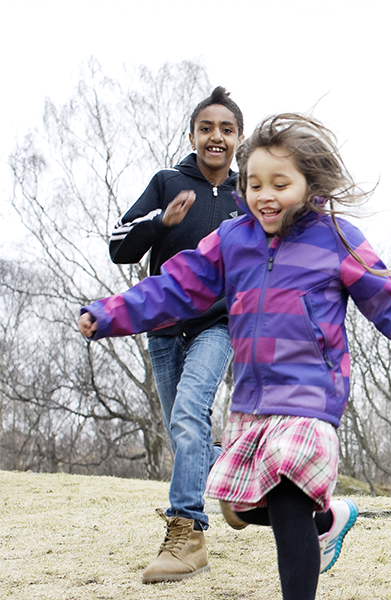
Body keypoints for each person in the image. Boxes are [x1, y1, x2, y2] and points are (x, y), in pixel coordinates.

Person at [80, 113, 391, 600]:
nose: (264, 195)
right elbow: (175, 287)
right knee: (239, 506)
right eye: (253, 184)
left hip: (313, 396)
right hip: (253, 400)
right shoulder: (233, 241)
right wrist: (108, 314)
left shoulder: (336, 238)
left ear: (309, 184)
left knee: (289, 499)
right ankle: (329, 519)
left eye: (279, 183)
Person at [108, 86, 244, 583]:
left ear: (238, 139)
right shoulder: (167, 183)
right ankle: (241, 470)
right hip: (164, 326)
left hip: (219, 323)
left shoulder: (245, 194)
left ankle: (187, 533)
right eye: (207, 128)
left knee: (190, 413)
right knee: (184, 432)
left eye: (226, 130)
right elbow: (118, 245)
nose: (216, 137)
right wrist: (159, 222)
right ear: (192, 135)